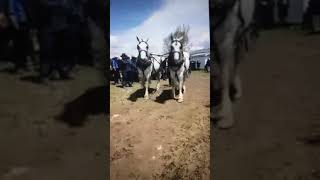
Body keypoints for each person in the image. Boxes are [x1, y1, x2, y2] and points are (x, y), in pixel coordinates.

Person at [8, 0, 32, 73]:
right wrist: (15, 23)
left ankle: (24, 64)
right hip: (18, 23)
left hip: (26, 23)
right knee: (18, 45)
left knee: (26, 44)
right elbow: (11, 12)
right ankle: (18, 66)